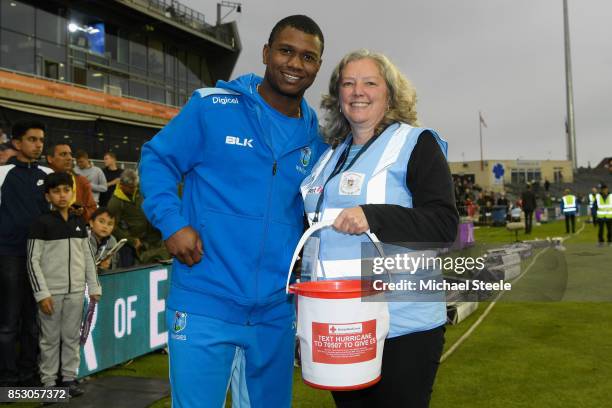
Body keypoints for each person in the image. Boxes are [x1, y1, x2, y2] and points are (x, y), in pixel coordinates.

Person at [139, 15, 326, 407]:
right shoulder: (212, 107)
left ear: (317, 67)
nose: (295, 64)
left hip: (275, 312)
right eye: (286, 51)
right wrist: (172, 223)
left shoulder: (318, 141)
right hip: (205, 299)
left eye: (308, 57)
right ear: (266, 53)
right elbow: (157, 159)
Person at [301, 49, 458, 408]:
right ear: (337, 95)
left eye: (370, 82)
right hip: (341, 322)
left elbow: (444, 224)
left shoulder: (416, 143)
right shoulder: (328, 157)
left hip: (403, 325)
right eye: (348, 83)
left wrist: (375, 216)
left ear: (389, 92)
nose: (358, 91)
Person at [26, 172, 101, 396]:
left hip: (77, 292)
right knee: (49, 340)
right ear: (47, 196)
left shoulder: (79, 221)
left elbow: (88, 257)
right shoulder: (41, 223)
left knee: (71, 337)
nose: (62, 195)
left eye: (66, 190)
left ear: (72, 192)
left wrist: (94, 287)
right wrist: (41, 294)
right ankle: (48, 384)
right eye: (56, 191)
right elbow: (32, 261)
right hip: (51, 294)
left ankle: (69, 379)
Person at [0, 120, 51, 387]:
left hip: (41, 260)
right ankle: (7, 379)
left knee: (34, 322)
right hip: (9, 256)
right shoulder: (3, 174)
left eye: (41, 139)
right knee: (8, 321)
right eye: (32, 139)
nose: (38, 144)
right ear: (17, 143)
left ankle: (29, 374)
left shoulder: (48, 174)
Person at [107, 169, 169, 266]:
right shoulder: (115, 203)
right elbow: (113, 227)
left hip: (153, 238)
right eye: (131, 187)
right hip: (135, 245)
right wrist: (131, 240)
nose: (134, 189)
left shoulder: (140, 190)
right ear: (122, 185)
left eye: (136, 186)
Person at [46, 143, 97, 221]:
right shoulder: (41, 180)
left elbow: (92, 209)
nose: (69, 158)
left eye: (70, 154)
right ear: (50, 159)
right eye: (63, 154)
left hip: (74, 229)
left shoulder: (81, 181)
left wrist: (82, 212)